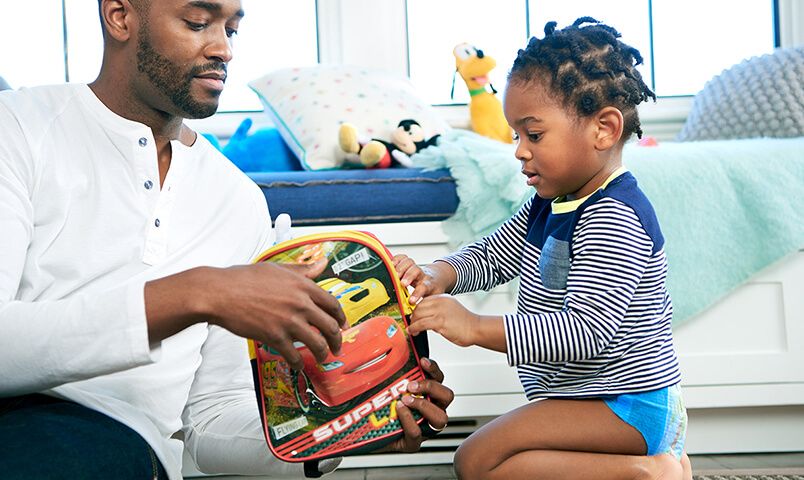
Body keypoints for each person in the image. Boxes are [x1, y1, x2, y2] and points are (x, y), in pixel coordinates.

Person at [0, 1, 452, 479]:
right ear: (120, 16)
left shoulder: (236, 199)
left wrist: (340, 431)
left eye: (231, 30)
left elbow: (210, 419)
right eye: (197, 23)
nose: (223, 49)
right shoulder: (18, 127)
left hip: (109, 443)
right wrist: (198, 293)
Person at [393, 17, 692, 480]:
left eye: (533, 135)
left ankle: (649, 472)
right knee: (502, 466)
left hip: (628, 406)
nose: (518, 150)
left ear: (604, 129)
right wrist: (439, 274)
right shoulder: (554, 201)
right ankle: (647, 468)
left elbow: (585, 330)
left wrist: (473, 326)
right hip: (590, 399)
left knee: (474, 462)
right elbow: (500, 253)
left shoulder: (612, 215)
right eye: (516, 135)